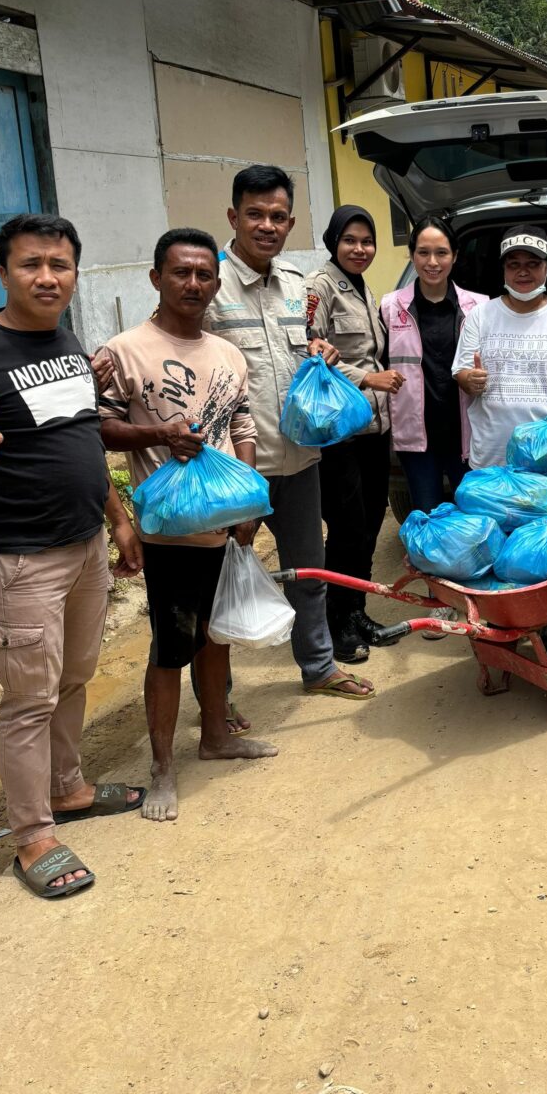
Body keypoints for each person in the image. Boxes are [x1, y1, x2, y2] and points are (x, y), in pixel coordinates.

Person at [0, 213, 143, 900]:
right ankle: (32, 835)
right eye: (31, 264)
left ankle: (70, 788)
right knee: (28, 700)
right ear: (2, 273)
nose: (47, 276)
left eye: (60, 264)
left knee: (75, 678)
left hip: (85, 545)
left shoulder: (65, 341)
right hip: (23, 558)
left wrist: (117, 519)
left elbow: (81, 436)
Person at [100, 228, 279, 821]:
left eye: (205, 274)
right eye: (181, 273)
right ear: (156, 278)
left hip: (226, 527)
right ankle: (162, 768)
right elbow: (96, 430)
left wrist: (249, 501)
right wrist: (159, 435)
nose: (194, 284)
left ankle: (217, 736)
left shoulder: (228, 354)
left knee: (217, 636)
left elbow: (244, 429)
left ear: (216, 282)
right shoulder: (123, 350)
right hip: (168, 534)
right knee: (170, 648)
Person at [205, 167, 373, 700]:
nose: (266, 226)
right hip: (235, 468)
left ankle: (320, 666)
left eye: (278, 216)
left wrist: (321, 351)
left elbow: (310, 350)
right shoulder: (208, 283)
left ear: (291, 223)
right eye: (254, 214)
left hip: (300, 460)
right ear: (233, 217)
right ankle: (218, 695)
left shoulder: (299, 288)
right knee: (222, 580)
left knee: (309, 572)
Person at [305, 206, 399, 665]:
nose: (359, 249)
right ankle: (333, 621)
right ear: (333, 242)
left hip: (374, 429)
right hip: (338, 432)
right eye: (350, 240)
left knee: (369, 521)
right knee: (345, 528)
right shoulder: (318, 287)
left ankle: (356, 610)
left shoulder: (364, 288)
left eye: (367, 241)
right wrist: (367, 379)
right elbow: (307, 352)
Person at [453, 226, 547, 468]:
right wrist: (469, 380)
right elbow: (462, 371)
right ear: (503, 270)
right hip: (492, 459)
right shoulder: (479, 316)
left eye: (532, 263)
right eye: (513, 264)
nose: (522, 272)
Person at [380, 215, 487, 513]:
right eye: (423, 252)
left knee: (476, 517)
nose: (432, 262)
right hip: (416, 438)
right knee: (427, 517)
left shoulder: (480, 306)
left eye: (441, 253)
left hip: (467, 433)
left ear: (454, 255)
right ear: (412, 255)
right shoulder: (391, 306)